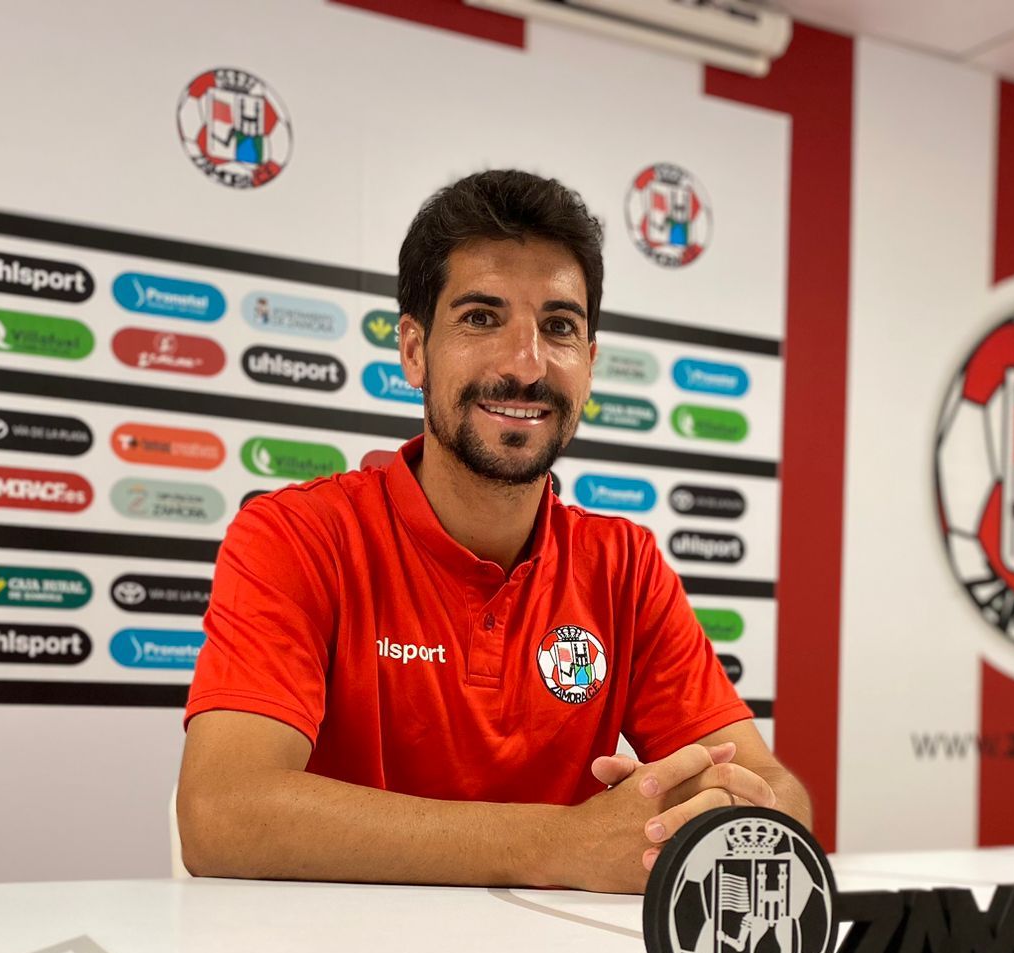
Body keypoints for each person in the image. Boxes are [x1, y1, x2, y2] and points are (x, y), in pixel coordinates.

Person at [176, 169, 809, 892]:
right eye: (481, 318)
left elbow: (775, 791)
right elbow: (222, 812)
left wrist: (718, 812)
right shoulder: (296, 535)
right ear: (414, 349)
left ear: (590, 365)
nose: (525, 364)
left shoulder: (624, 564)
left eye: (559, 327)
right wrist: (562, 842)